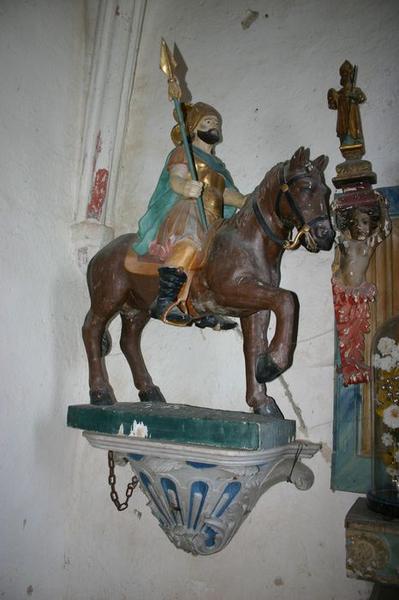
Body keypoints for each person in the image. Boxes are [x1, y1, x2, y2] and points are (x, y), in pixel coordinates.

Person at [133, 101, 246, 326]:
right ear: (193, 127)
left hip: (215, 217)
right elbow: (176, 178)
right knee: (190, 242)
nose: (214, 125)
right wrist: (185, 187)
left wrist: (246, 200)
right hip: (190, 210)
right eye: (207, 121)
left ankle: (203, 307)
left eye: (216, 122)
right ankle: (165, 300)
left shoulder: (219, 166)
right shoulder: (183, 151)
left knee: (219, 256)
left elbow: (228, 193)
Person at [327, 60, 366, 148]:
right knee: (344, 131)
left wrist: (352, 95)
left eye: (347, 74)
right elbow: (333, 104)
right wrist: (332, 94)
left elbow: (362, 98)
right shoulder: (340, 92)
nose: (345, 76)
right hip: (343, 118)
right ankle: (346, 139)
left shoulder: (355, 90)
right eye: (343, 74)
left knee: (353, 129)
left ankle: (354, 139)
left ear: (351, 75)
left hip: (353, 116)